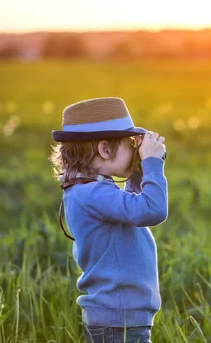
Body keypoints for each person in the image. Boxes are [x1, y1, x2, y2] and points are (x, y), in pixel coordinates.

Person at [49, 97, 168, 343]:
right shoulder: (93, 194)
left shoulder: (88, 191)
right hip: (118, 319)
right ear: (104, 149)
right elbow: (152, 209)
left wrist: (138, 167)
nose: (136, 149)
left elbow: (133, 208)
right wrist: (152, 164)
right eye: (130, 144)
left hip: (118, 316)